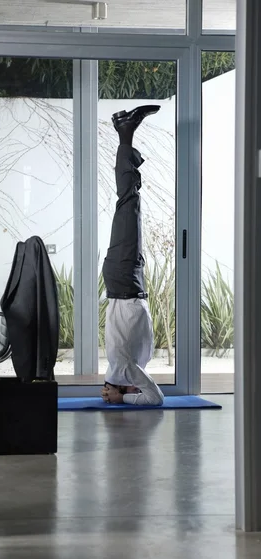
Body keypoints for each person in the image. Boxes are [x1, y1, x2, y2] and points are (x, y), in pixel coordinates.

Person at [101, 105, 164, 407]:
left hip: (125, 282)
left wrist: (121, 400)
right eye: (106, 393)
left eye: (104, 393)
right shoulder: (123, 370)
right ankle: (124, 130)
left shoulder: (126, 371)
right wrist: (120, 394)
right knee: (128, 203)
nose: (105, 392)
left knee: (128, 201)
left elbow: (155, 400)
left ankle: (126, 130)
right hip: (125, 281)